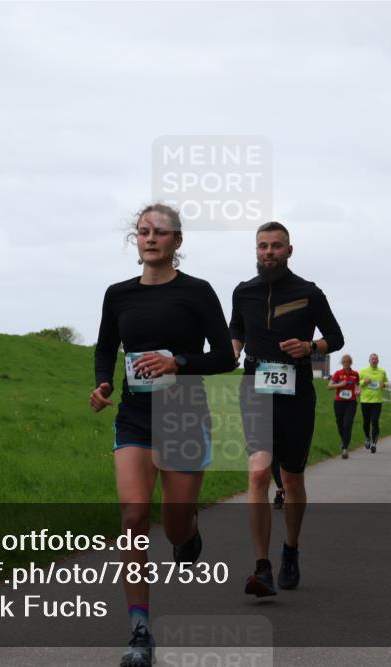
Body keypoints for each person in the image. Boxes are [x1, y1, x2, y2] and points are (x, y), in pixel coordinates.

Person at [91, 204, 236, 667]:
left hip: (183, 417)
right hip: (134, 418)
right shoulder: (118, 294)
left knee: (173, 524)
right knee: (133, 518)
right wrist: (103, 384)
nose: (149, 238)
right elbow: (105, 347)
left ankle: (187, 532)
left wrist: (180, 363)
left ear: (177, 241)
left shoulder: (197, 292)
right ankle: (139, 629)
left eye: (159, 232)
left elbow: (225, 358)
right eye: (142, 232)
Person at [230, 221, 343, 597]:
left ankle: (290, 549)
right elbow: (236, 333)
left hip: (296, 394)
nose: (268, 252)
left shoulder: (309, 293)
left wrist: (311, 348)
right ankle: (261, 567)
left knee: (292, 479)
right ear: (256, 250)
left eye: (276, 246)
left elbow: (336, 338)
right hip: (255, 391)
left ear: (289, 251)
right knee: (258, 475)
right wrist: (230, 352)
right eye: (262, 246)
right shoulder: (243, 292)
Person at [328, 354, 360, 459]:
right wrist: (340, 384)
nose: (346, 364)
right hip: (339, 402)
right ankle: (344, 440)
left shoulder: (355, 374)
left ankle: (345, 448)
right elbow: (329, 386)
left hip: (351, 402)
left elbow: (357, 386)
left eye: (348, 362)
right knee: (340, 423)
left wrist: (358, 391)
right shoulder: (338, 374)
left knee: (348, 424)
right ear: (342, 363)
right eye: (344, 362)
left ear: (351, 363)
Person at [359, 353, 389, 453]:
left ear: (378, 361)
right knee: (366, 423)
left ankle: (374, 444)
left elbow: (387, 382)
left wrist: (384, 384)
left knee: (375, 421)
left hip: (377, 401)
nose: (374, 360)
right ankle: (367, 438)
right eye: (372, 359)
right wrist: (364, 382)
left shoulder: (382, 372)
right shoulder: (363, 371)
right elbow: (357, 383)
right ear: (369, 360)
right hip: (365, 400)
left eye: (376, 359)